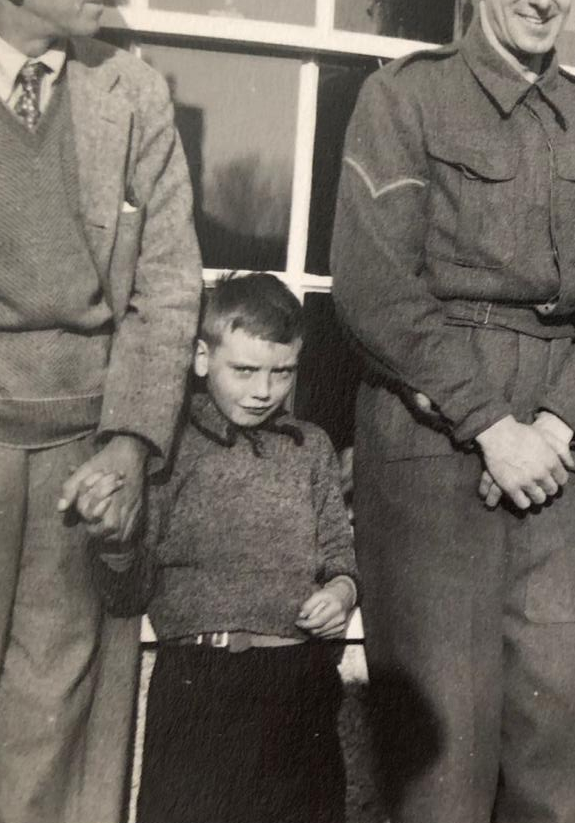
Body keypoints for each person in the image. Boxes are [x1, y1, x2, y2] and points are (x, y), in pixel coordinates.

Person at [331, 0, 575, 823]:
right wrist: (491, 424)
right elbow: (376, 289)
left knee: (560, 752)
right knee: (441, 758)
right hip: (435, 447)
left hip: (559, 447)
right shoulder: (404, 98)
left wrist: (554, 423)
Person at [0, 0, 202, 823]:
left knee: (44, 741)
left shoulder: (131, 93)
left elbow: (169, 281)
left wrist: (132, 445)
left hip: (82, 457)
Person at [95, 273, 357, 823]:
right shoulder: (168, 449)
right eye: (244, 370)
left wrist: (341, 592)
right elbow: (129, 591)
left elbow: (338, 553)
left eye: (282, 372)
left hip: (299, 683)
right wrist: (115, 544)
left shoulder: (311, 449)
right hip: (199, 685)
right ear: (200, 356)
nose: (263, 390)